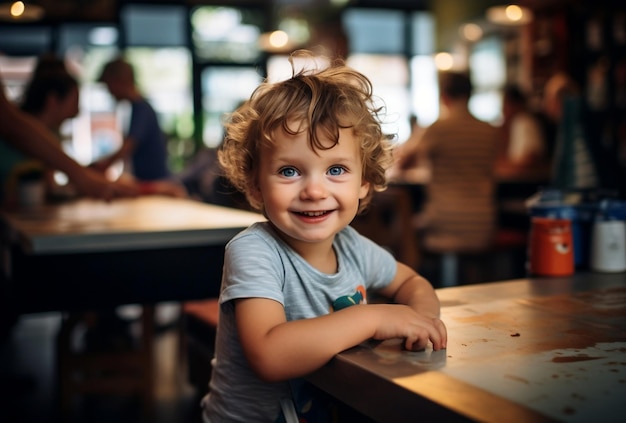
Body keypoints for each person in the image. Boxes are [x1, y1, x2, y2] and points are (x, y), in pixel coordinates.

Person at [201, 51, 447, 422]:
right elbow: (270, 355)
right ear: (255, 187)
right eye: (289, 171)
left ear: (364, 182)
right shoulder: (255, 251)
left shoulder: (352, 247)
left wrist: (421, 320)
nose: (314, 191)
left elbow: (411, 281)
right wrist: (374, 319)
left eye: (335, 169)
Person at [0, 69, 138, 204]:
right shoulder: (20, 136)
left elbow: (49, 189)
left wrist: (88, 179)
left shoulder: (50, 137)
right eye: (75, 100)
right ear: (53, 100)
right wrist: (86, 178)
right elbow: (8, 121)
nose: (78, 110)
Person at [401, 71, 500, 254]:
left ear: (444, 97)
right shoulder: (489, 130)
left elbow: (404, 163)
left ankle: (411, 278)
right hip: (483, 220)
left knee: (402, 225)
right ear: (470, 95)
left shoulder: (439, 128)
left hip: (444, 220)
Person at [92, 56, 185, 197]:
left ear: (119, 81)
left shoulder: (141, 109)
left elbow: (129, 146)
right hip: (150, 183)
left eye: (109, 85)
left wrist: (103, 166)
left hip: (157, 185)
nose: (109, 92)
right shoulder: (137, 108)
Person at [495, 84, 550, 181]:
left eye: (505, 104)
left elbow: (531, 159)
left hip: (526, 184)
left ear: (516, 104)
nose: (503, 110)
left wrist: (502, 165)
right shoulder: (516, 124)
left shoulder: (524, 122)